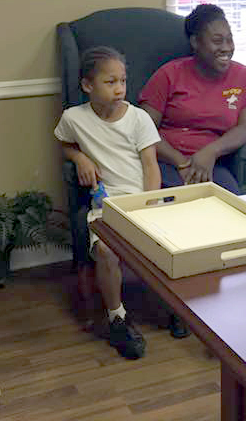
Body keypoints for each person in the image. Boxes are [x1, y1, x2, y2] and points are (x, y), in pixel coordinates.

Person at [54, 46, 162, 360]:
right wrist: (79, 157)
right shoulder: (74, 118)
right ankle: (117, 317)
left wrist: (148, 203)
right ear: (88, 86)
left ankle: (174, 310)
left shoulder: (138, 119)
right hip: (106, 207)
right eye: (110, 82)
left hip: (143, 202)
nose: (119, 89)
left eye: (123, 81)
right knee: (105, 249)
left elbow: (151, 166)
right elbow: (64, 143)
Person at [139, 5, 246, 195]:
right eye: (217, 41)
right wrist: (180, 161)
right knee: (178, 203)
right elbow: (143, 129)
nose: (226, 48)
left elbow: (245, 129)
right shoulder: (169, 74)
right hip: (165, 160)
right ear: (195, 42)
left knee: (229, 203)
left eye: (230, 40)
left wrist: (210, 152)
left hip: (212, 163)